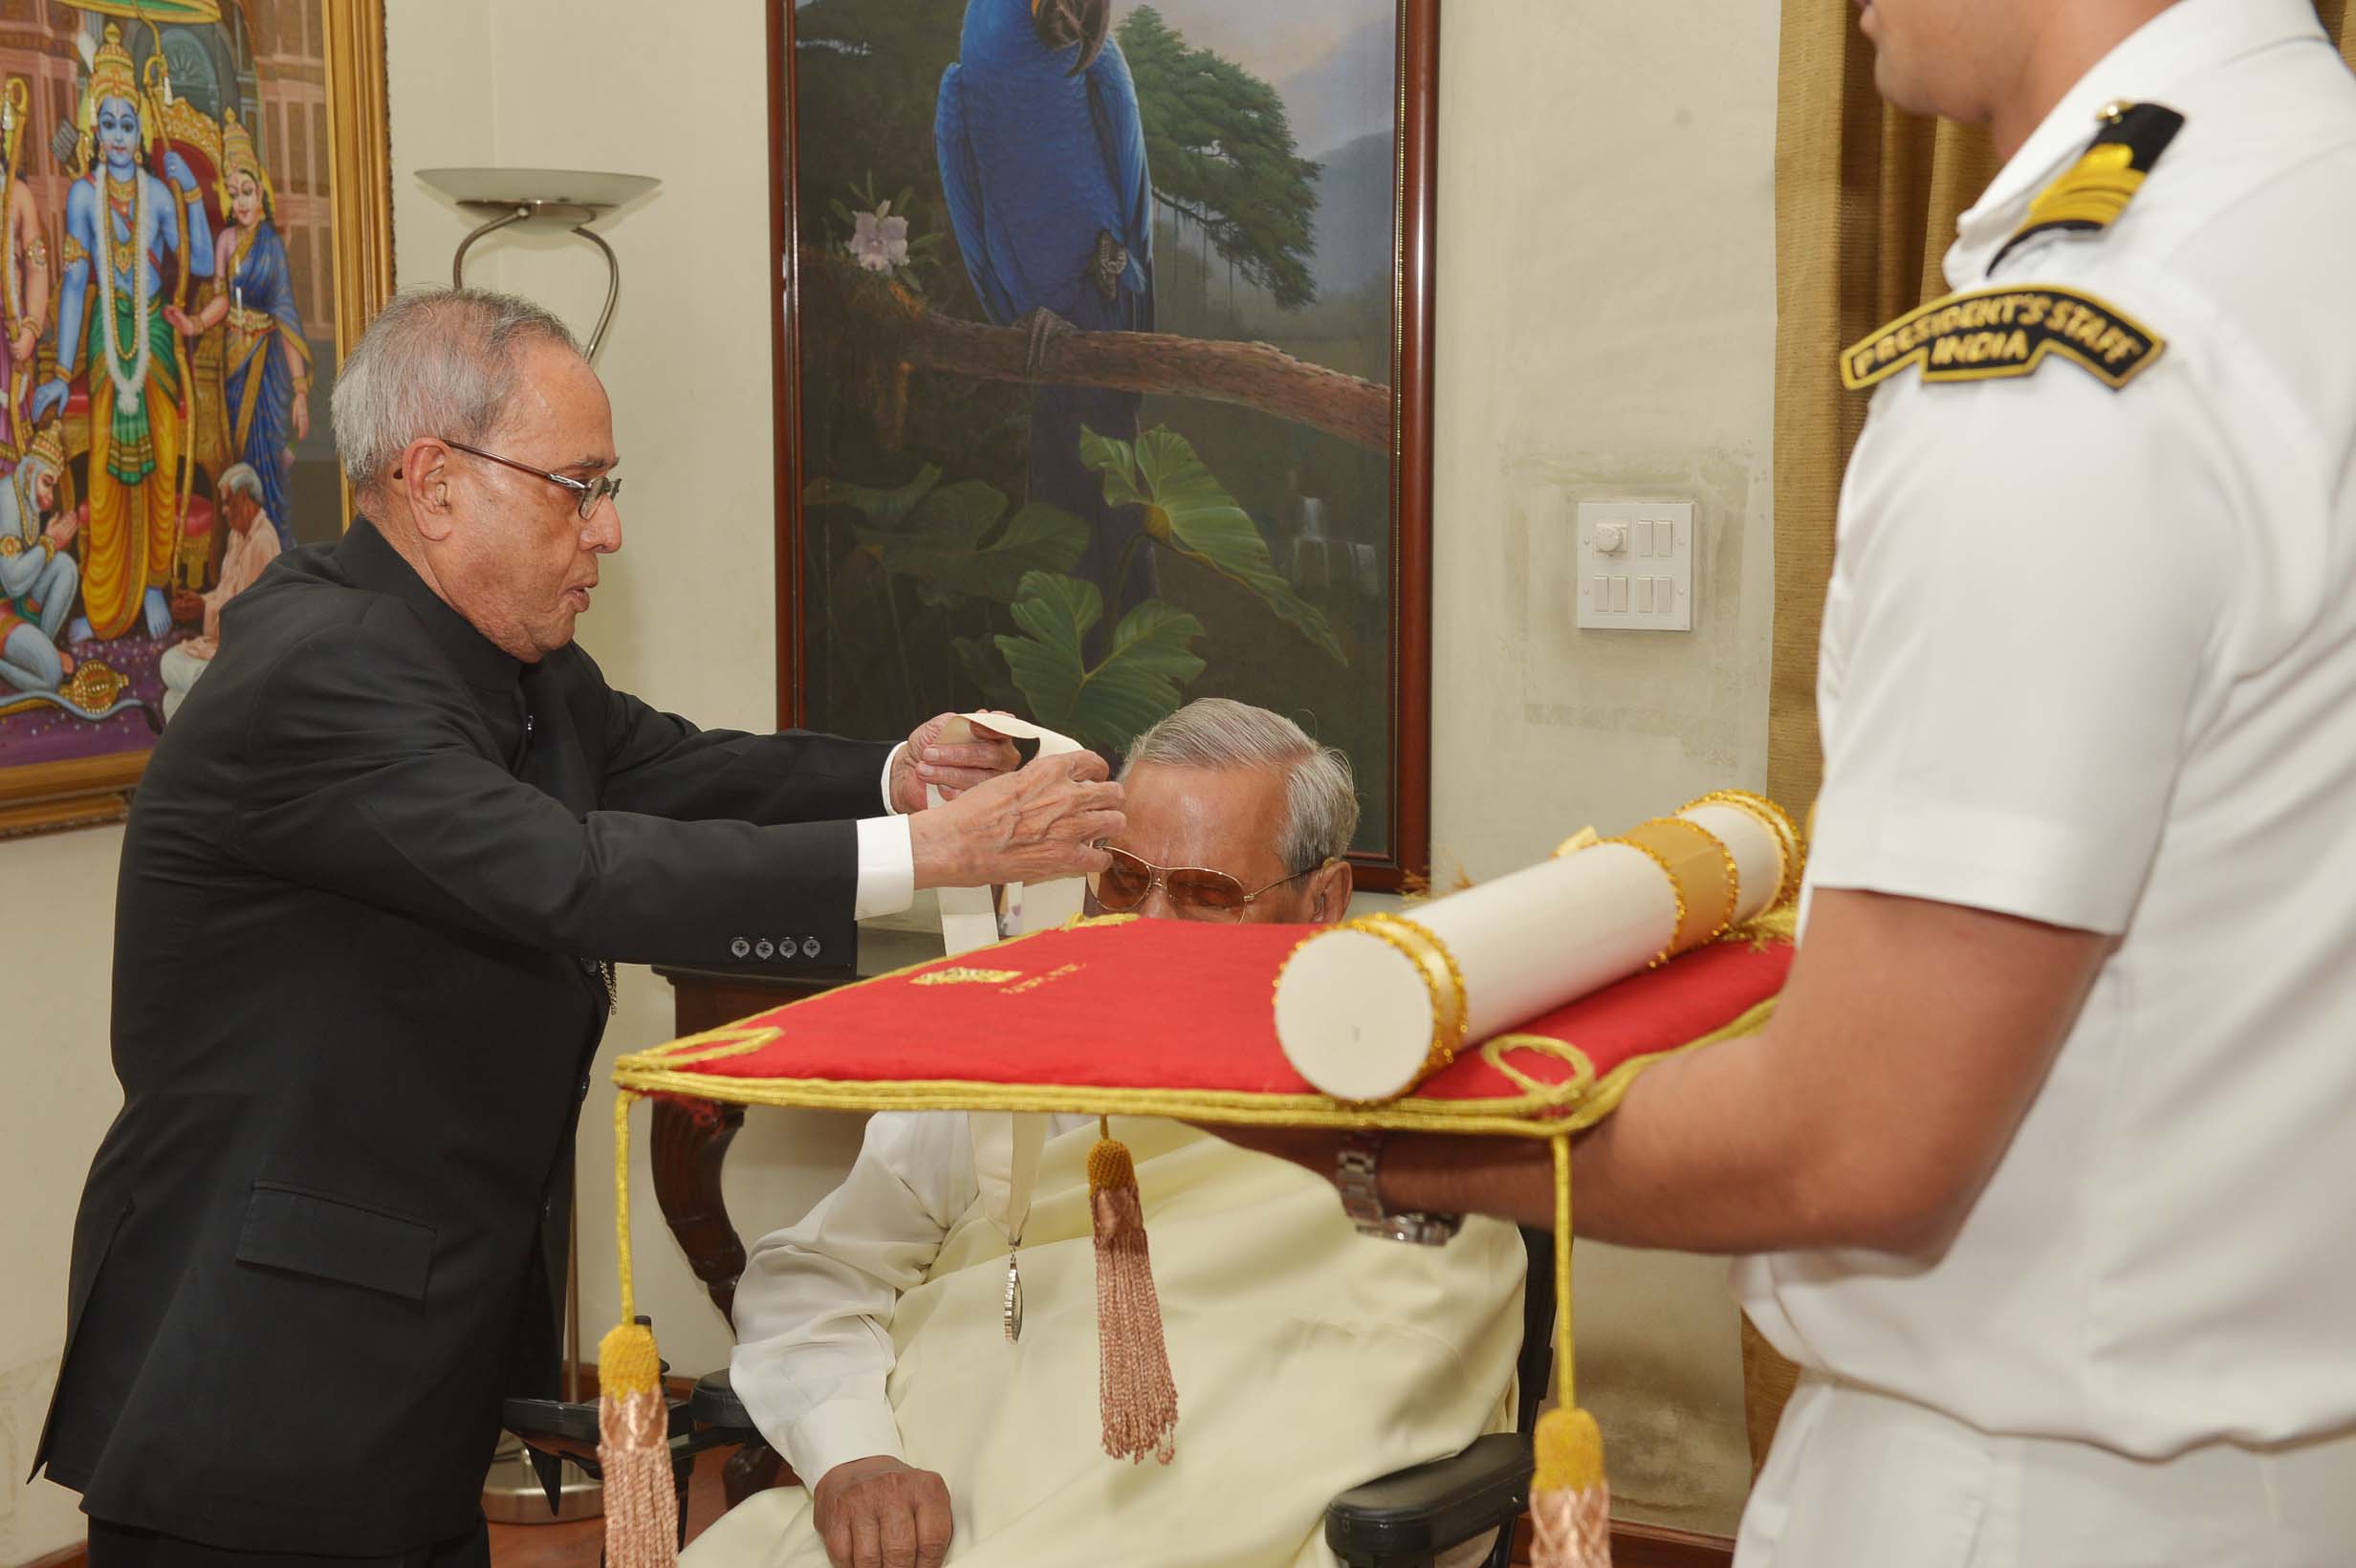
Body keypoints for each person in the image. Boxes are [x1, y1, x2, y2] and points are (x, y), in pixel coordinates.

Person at [1216, 2, 2356, 1562]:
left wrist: (1363, 1143)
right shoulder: (2298, 209)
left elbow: (1858, 1140)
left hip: (2020, 1492)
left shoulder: (2063, 363)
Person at [34, 286, 1127, 1568]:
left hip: (408, 1359)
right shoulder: (316, 669)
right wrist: (929, 857)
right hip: (258, 1371)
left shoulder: (516, 661)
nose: (608, 528)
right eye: (579, 484)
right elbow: (570, 873)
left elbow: (673, 768)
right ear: (433, 480)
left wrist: (901, 779)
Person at [690, 700, 1526, 1568]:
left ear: (1324, 902)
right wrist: (853, 1454)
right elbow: (818, 1274)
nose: (1148, 930)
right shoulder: (1014, 1047)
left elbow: (1387, 1388)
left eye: (1207, 895)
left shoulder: (1413, 1119)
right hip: (935, 1528)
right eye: (1124, 882)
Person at [32, 23, 214, 643]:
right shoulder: (84, 196)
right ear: (94, 128)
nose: (115, 136)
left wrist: (190, 197)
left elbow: (206, 268)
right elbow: (79, 284)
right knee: (107, 472)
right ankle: (103, 596)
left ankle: (157, 585)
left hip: (154, 337)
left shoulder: (161, 194)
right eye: (106, 123)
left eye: (126, 125)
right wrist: (61, 377)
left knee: (163, 461)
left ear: (140, 131)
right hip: (107, 338)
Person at [164, 107, 311, 552]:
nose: (242, 201)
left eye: (248, 191)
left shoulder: (272, 247)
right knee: (243, 454)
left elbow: (286, 317)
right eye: (234, 193)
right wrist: (193, 322)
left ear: (260, 191)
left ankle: (276, 550)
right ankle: (243, 550)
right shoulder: (227, 241)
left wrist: (301, 391)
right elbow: (222, 300)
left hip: (269, 366)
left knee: (274, 459)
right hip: (232, 359)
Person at [158, 463, 278, 721]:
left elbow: (253, 618)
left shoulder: (263, 542)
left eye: (227, 502)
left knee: (186, 681)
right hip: (222, 646)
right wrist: (199, 600)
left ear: (243, 497)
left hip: (245, 654)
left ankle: (216, 689)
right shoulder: (237, 537)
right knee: (169, 671)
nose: (223, 511)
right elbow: (228, 594)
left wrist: (204, 609)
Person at [0, 423, 76, 694]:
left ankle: (43, 646)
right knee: (52, 677)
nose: (48, 498)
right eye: (47, 483)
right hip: (2, 608)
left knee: (66, 567)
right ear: (31, 470)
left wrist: (49, 546)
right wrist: (49, 543)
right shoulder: (7, 499)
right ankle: (34, 661)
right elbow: (13, 583)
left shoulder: (26, 495)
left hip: (16, 603)